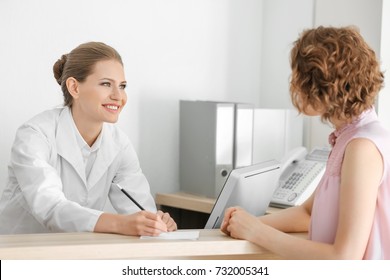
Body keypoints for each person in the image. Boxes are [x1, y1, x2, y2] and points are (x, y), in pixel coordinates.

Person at [221, 26, 389, 259]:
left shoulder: (363, 147)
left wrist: (258, 232)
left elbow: (345, 257)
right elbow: (308, 214)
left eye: (298, 75)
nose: (294, 85)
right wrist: (249, 223)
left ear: (323, 82)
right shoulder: (348, 138)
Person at [0, 42, 177, 236]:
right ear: (74, 87)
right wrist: (121, 224)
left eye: (122, 86)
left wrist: (155, 223)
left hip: (80, 252)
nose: (118, 96)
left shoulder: (119, 145)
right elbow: (51, 208)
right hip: (23, 253)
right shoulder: (35, 135)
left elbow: (139, 210)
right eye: (106, 84)